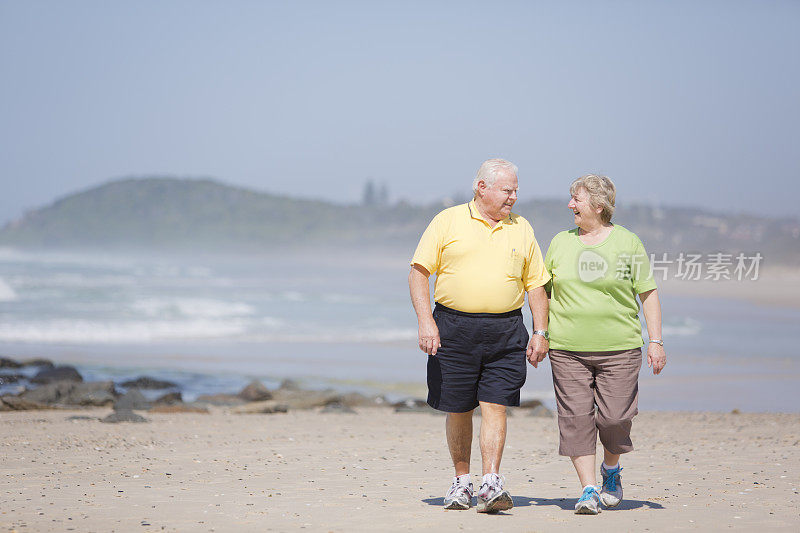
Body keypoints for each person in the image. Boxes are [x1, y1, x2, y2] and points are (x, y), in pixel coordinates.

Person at [408, 158, 550, 513]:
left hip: (506, 330)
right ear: (482, 188)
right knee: (458, 407)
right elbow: (418, 273)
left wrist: (540, 331)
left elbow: (536, 285)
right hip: (453, 328)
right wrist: (426, 322)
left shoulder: (522, 228)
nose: (513, 197)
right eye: (507, 190)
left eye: (516, 190)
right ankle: (461, 483)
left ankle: (491, 482)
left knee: (495, 404)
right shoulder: (448, 220)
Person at [543, 174, 667, 514]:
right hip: (567, 348)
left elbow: (648, 293)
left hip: (620, 349)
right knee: (575, 419)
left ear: (599, 206)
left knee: (614, 419)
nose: (570, 205)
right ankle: (588, 490)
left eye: (577, 200)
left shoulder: (628, 243)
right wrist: (540, 333)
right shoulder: (560, 243)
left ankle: (610, 469)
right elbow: (542, 291)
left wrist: (655, 340)